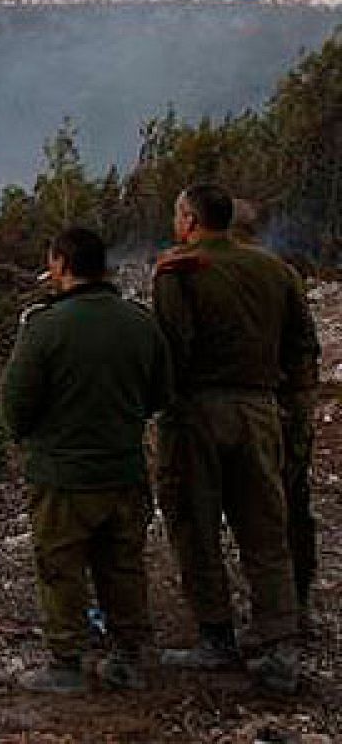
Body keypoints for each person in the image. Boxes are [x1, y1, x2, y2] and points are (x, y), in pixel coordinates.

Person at [152, 182, 319, 692]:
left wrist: (162, 406)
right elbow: (303, 348)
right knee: (266, 525)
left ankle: (216, 637)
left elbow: (171, 349)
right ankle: (279, 641)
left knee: (194, 523)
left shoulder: (178, 271)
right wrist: (293, 412)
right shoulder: (276, 270)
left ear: (191, 221)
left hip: (197, 413)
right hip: (261, 410)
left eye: (179, 215)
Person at [2, 226, 173, 693]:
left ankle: (66, 664)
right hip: (123, 471)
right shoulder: (140, 322)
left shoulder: (45, 326)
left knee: (61, 567)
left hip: (63, 478)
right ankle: (131, 656)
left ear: (60, 263)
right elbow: (160, 394)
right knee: (123, 565)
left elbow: (15, 404)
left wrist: (34, 439)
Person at [230, 197, 321, 632]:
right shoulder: (283, 274)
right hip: (290, 402)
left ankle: (268, 615)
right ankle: (296, 604)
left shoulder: (221, 271)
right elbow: (305, 344)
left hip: (254, 405)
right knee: (292, 503)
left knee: (256, 507)